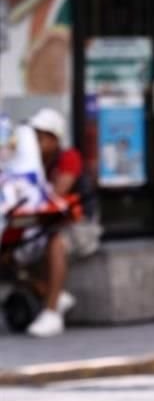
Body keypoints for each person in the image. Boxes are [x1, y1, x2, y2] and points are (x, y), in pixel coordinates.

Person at [12, 108, 95, 337]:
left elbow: (58, 194)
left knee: (55, 243)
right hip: (43, 223)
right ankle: (52, 294)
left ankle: (51, 313)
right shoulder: (30, 163)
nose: (35, 143)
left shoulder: (68, 158)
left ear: (54, 139)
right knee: (10, 250)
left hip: (81, 224)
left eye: (40, 138)